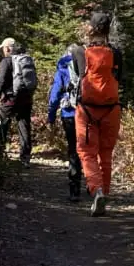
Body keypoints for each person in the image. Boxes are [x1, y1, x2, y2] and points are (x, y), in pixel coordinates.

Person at [75, 13, 122, 217]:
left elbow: (78, 76)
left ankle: (97, 190)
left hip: (87, 110)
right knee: (106, 153)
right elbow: (120, 77)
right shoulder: (116, 53)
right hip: (112, 109)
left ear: (90, 29)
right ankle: (105, 193)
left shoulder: (80, 52)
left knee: (87, 152)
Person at [0, 37, 38, 166]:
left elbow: (0, 81)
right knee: (24, 125)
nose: (3, 51)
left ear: (7, 48)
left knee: (2, 123)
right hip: (26, 97)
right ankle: (25, 157)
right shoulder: (26, 59)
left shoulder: (7, 61)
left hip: (11, 98)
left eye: (3, 48)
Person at [47, 46, 84, 201]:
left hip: (68, 113)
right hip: (86, 113)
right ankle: (93, 185)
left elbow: (55, 95)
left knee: (73, 149)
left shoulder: (62, 68)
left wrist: (51, 116)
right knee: (87, 148)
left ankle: (74, 189)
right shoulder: (85, 66)